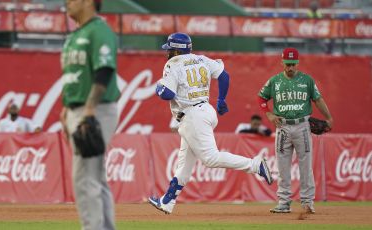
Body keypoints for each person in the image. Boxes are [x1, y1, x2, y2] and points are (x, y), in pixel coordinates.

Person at [148, 32, 273, 215]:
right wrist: (221, 99)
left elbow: (167, 94)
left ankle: (255, 165)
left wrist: (159, 87)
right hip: (204, 110)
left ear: (177, 50)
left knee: (210, 158)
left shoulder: (173, 64)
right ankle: (167, 202)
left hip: (191, 115)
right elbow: (224, 76)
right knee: (184, 164)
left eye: (170, 49)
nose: (167, 52)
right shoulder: (201, 59)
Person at [60, 0, 120, 229]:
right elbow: (75, 77)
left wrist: (89, 110)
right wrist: (67, 107)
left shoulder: (99, 30)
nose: (67, 3)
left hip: (96, 109)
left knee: (84, 178)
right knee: (95, 177)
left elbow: (104, 71)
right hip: (79, 108)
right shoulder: (77, 35)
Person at [258, 47, 333, 214]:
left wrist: (329, 117)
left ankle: (307, 202)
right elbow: (261, 98)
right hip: (282, 126)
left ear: (297, 63)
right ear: (282, 62)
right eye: (287, 64)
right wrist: (269, 113)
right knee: (283, 166)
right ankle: (284, 202)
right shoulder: (274, 81)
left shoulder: (307, 80)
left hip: (302, 126)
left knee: (305, 165)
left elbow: (318, 99)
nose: (290, 67)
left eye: (292, 64)